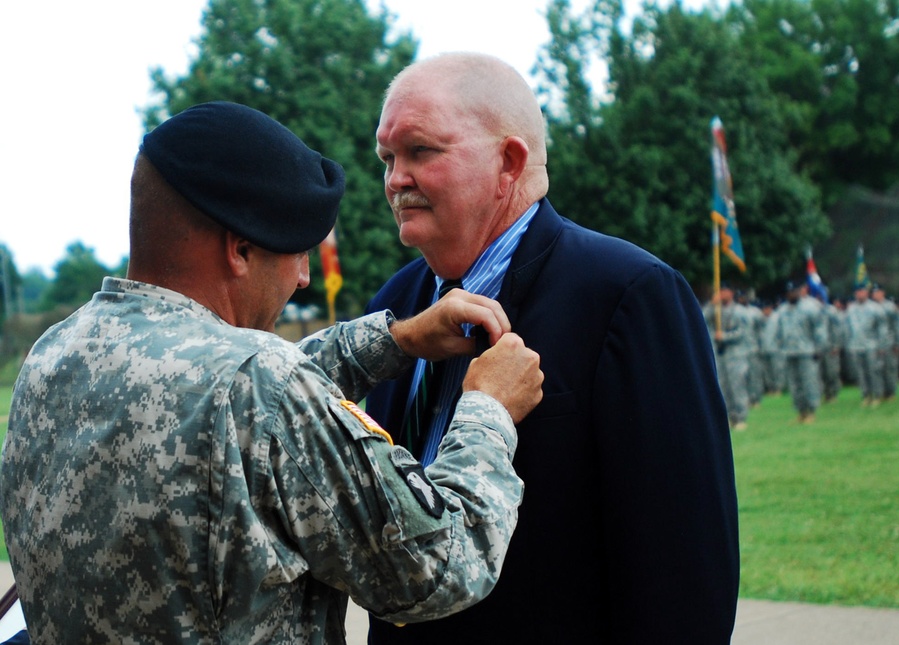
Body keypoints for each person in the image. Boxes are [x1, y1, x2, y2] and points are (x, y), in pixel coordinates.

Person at [0, 102, 545, 644]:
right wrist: (487, 411)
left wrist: (395, 340)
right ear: (239, 250)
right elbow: (440, 566)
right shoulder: (262, 383)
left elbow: (211, 395)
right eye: (298, 252)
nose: (305, 277)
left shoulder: (55, 354)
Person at [364, 53, 739, 643]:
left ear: (508, 162)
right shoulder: (394, 309)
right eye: (387, 158)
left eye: (419, 152)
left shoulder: (626, 295)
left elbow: (681, 561)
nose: (395, 179)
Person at [773, 281, 827, 423]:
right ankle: (801, 411)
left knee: (808, 382)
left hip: (807, 351)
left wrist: (819, 348)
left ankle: (811, 410)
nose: (792, 294)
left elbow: (819, 330)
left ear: (800, 292)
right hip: (789, 352)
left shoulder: (810, 307)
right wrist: (779, 347)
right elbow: (778, 332)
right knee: (795, 384)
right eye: (789, 292)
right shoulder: (783, 310)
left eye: (794, 291)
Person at [705, 283, 755, 431]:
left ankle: (741, 417)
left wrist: (725, 336)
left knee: (737, 387)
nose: (722, 294)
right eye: (720, 291)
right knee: (723, 388)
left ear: (731, 293)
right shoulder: (716, 310)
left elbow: (743, 332)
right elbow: (702, 318)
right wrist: (711, 304)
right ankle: (728, 417)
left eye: (724, 291)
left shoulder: (739, 311)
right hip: (721, 356)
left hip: (736, 355)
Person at [845, 283, 887, 406]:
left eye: (862, 291)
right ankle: (866, 395)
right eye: (858, 292)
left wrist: (881, 345)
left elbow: (882, 328)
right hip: (856, 345)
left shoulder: (875, 308)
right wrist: (849, 343)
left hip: (871, 344)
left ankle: (877, 395)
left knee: (873, 371)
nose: (860, 294)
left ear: (867, 293)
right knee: (861, 373)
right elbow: (847, 328)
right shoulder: (851, 309)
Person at [872, 284, 899, 400]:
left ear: (882, 293)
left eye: (878, 292)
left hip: (888, 341)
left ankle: (891, 391)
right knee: (877, 369)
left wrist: (897, 342)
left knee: (889, 368)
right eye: (874, 292)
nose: (876, 295)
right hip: (874, 343)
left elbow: (896, 326)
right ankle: (881, 391)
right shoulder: (871, 307)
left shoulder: (890, 307)